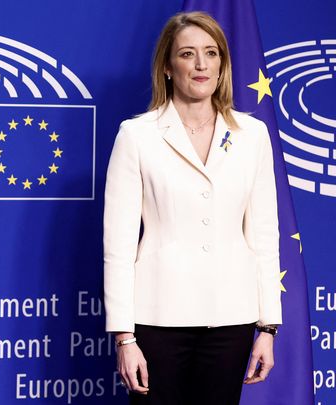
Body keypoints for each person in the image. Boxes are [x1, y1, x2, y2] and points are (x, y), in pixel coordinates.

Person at [103, 11, 282, 405]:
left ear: (222, 65)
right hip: (156, 322)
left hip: (231, 320)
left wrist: (268, 328)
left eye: (211, 53)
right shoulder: (137, 136)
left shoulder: (253, 135)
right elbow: (117, 248)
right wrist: (124, 337)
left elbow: (265, 236)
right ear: (168, 67)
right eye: (188, 54)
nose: (201, 64)